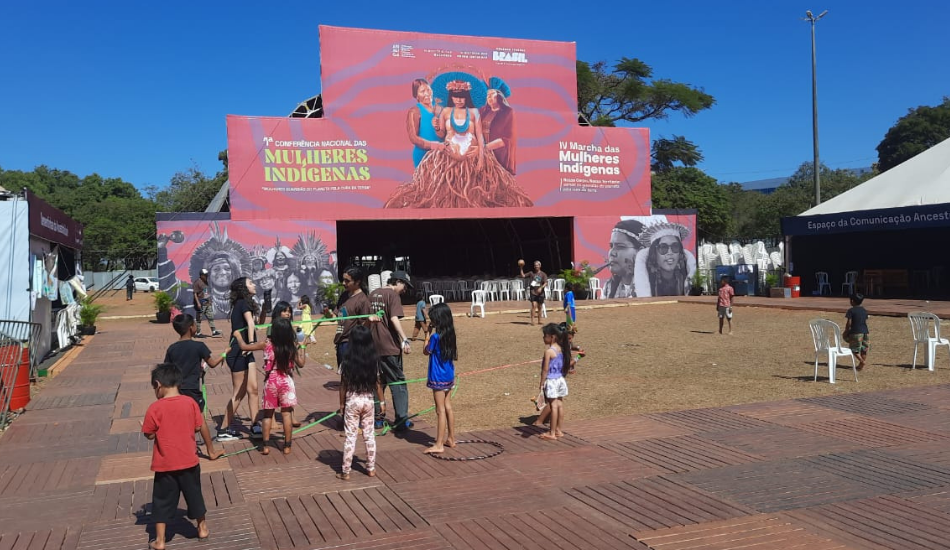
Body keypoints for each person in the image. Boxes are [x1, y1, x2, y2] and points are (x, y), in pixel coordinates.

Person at [384, 76, 533, 209]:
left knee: (476, 193)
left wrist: (481, 157)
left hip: (472, 158)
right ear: (451, 97)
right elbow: (441, 134)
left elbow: (480, 136)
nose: (459, 100)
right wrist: (437, 129)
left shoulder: (474, 112)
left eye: (462, 97)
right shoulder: (444, 111)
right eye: (456, 97)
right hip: (448, 158)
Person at [141, 363, 210, 550]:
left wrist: (155, 432)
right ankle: (202, 528)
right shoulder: (190, 403)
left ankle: (160, 540)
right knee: (194, 495)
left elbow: (148, 433)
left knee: (162, 501)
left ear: (158, 384)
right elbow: (197, 427)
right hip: (189, 461)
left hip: (165, 465)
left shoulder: (154, 408)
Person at [238, 317, 306, 455]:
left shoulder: (267, 343)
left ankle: (266, 446)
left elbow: (244, 347)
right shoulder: (291, 345)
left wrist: (237, 335)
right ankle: (287, 446)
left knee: (268, 415)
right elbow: (301, 363)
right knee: (286, 414)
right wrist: (303, 346)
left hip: (271, 381)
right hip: (286, 381)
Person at [163, 314, 225, 461]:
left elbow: (167, 369)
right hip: (192, 389)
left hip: (176, 389)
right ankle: (211, 452)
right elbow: (213, 363)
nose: (196, 326)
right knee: (200, 420)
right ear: (191, 328)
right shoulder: (199, 346)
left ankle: (176, 450)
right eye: (195, 324)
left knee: (177, 420)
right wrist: (225, 354)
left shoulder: (172, 349)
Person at [369, 271, 414, 432]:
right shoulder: (393, 296)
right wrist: (404, 339)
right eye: (405, 286)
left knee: (379, 382)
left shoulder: (373, 294)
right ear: (398, 282)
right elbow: (394, 318)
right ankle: (401, 419)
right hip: (389, 347)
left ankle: (377, 418)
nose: (405, 290)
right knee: (398, 382)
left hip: (374, 346)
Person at [217, 277, 262, 442]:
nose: (254, 285)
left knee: (254, 389)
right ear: (243, 288)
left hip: (245, 351)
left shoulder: (246, 303)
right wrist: (251, 345)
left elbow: (256, 323)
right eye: (251, 283)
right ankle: (222, 429)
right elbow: (250, 324)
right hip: (238, 350)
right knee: (239, 392)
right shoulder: (243, 303)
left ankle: (255, 424)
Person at [337, 325, 381, 480]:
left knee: (350, 436)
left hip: (352, 401)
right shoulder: (373, 361)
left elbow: (343, 385)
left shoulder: (346, 362)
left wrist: (341, 404)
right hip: (368, 401)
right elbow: (377, 383)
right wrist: (382, 402)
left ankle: (346, 471)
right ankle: (371, 468)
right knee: (369, 436)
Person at [330, 266, 372, 420]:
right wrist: (329, 313)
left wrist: (369, 320)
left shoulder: (363, 301)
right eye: (343, 279)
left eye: (347, 280)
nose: (343, 283)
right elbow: (337, 315)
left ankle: (354, 416)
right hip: (341, 343)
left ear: (358, 282)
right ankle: (343, 412)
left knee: (353, 380)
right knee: (344, 379)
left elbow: (364, 328)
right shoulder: (345, 296)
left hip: (352, 344)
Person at [422, 303, 458, 454]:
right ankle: (451, 438)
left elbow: (426, 351)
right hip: (449, 374)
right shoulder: (450, 334)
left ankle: (439, 444)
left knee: (440, 410)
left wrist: (427, 334)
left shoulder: (436, 337)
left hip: (438, 377)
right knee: (448, 406)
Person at [634, 222, 696, 297]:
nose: (670, 253)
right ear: (654, 253)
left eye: (675, 247)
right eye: (663, 247)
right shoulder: (648, 277)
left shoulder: (683, 275)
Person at [538, 323, 571, 441]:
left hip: (551, 381)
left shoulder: (549, 352)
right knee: (559, 404)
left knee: (553, 406)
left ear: (552, 337)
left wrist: (541, 383)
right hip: (560, 379)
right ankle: (558, 430)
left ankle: (551, 433)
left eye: (544, 336)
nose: (543, 338)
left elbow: (545, 370)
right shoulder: (562, 349)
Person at [406, 78, 446, 168]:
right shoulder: (415, 111)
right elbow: (413, 138)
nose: (427, 94)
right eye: (422, 91)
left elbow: (445, 132)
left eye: (428, 90)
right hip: (423, 156)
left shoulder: (439, 109)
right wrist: (434, 145)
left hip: (441, 156)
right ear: (416, 96)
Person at [603, 220, 645, 299]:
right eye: (611, 246)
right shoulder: (609, 286)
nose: (612, 253)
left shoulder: (651, 286)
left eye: (620, 247)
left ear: (640, 252)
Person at [479, 86, 517, 175]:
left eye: (492, 94)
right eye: (487, 96)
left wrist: (486, 147)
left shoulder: (508, 112)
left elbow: (508, 138)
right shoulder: (483, 112)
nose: (489, 97)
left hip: (499, 154)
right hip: (483, 155)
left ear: (499, 96)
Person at [192, 268, 221, 338]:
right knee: (199, 319)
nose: (206, 276)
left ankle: (214, 331)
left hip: (207, 303)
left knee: (210, 317)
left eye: (207, 275)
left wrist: (210, 301)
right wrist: (198, 303)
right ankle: (198, 333)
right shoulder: (197, 282)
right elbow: (195, 293)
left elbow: (207, 292)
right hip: (201, 303)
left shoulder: (206, 282)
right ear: (201, 275)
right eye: (205, 275)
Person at [845, 292, 870, 370]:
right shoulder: (864, 310)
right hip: (865, 332)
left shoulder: (851, 311)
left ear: (852, 301)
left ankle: (862, 361)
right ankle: (860, 366)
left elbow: (849, 322)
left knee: (854, 349)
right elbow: (864, 320)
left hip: (855, 332)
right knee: (864, 349)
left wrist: (846, 330)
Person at [520, 260, 548, 326]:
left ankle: (539, 320)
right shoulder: (531, 273)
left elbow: (546, 283)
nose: (536, 267)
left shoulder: (543, 274)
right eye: (535, 265)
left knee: (540, 307)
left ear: (540, 266)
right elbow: (523, 276)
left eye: (537, 265)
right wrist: (521, 268)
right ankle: (532, 321)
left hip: (540, 293)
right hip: (533, 292)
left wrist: (541, 287)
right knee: (533, 305)